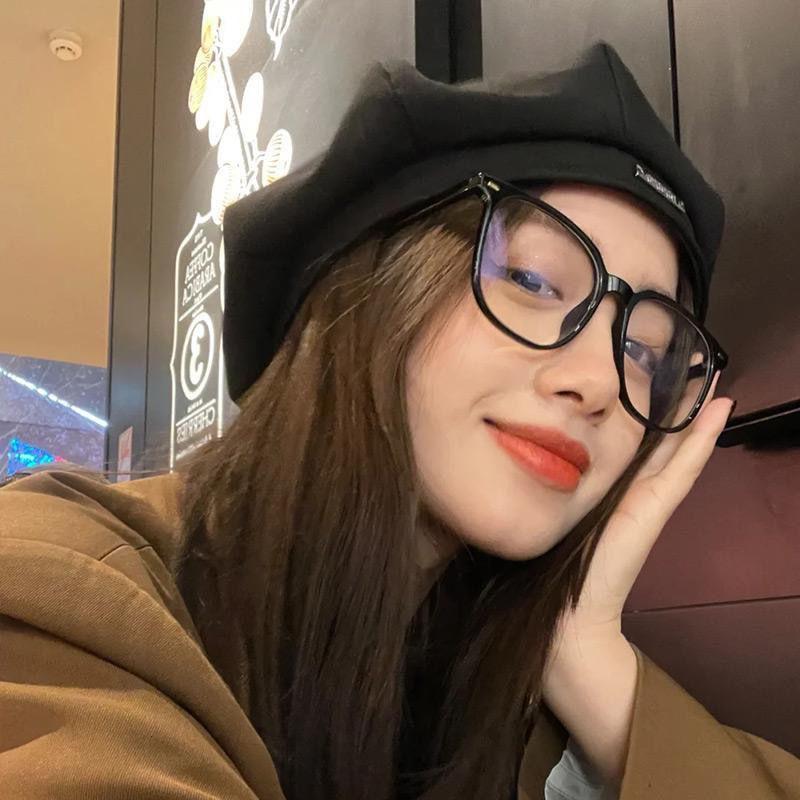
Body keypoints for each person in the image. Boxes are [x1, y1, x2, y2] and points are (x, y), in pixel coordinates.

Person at [1, 42, 798, 800]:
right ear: (369, 296)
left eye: (646, 354)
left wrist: (588, 654)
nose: (597, 382)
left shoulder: (514, 694)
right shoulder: (61, 597)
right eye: (532, 280)